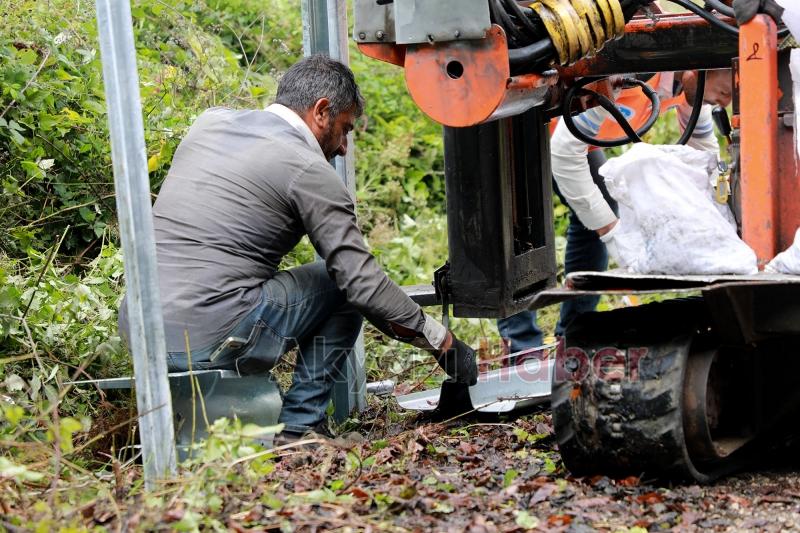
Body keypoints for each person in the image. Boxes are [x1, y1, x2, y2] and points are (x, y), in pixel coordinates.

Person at [118, 55, 477, 440]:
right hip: (209, 337)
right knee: (340, 284)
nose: (343, 148)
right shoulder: (308, 170)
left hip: (140, 334)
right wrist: (442, 342)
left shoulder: (209, 123)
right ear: (321, 111)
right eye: (345, 130)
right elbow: (363, 285)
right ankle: (300, 429)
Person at [497, 68, 733, 353]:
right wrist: (611, 233)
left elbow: (704, 152)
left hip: (572, 136)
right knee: (522, 225)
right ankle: (521, 348)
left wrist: (719, 218)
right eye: (726, 91)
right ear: (697, 70)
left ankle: (573, 334)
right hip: (523, 121)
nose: (726, 102)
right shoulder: (629, 73)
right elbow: (563, 153)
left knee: (599, 213)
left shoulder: (693, 88)